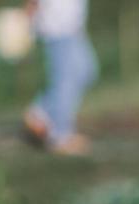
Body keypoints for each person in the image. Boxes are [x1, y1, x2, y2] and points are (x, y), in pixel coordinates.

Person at [22, 0, 97, 156]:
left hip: (74, 27)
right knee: (65, 82)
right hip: (57, 29)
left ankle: (40, 113)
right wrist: (27, 19)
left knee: (87, 72)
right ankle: (60, 136)